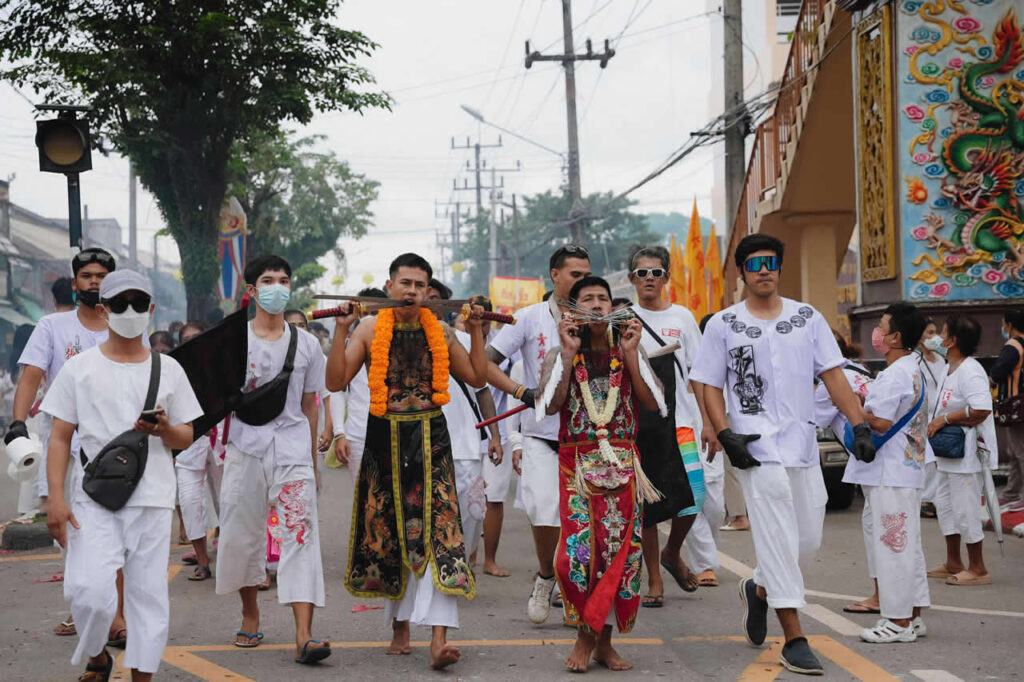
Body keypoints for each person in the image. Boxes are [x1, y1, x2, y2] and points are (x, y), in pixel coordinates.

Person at [690, 234, 875, 675]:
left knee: (805, 543)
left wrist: (859, 424)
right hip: (755, 448)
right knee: (775, 538)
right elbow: (709, 383)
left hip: (802, 445)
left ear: (780, 267)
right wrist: (724, 430)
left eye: (771, 261)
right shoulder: (724, 325)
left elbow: (833, 374)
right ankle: (794, 636)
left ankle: (758, 588)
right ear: (742, 273)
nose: (764, 270)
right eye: (754, 264)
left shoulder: (806, 319)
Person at [326, 253, 488, 671]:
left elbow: (476, 377)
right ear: (390, 286)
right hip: (384, 441)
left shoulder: (442, 333)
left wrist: (475, 332)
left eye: (420, 285)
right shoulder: (368, 327)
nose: (412, 291)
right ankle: (399, 622)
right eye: (405, 283)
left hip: (432, 440)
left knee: (442, 533)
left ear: (428, 291)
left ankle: (438, 639)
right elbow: (334, 382)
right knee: (391, 531)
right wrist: (341, 330)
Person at [42, 269, 202, 681]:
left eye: (137, 303)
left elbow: (186, 434)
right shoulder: (79, 369)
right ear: (103, 310)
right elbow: (59, 438)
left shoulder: (170, 370)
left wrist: (164, 429)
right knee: (89, 592)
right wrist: (55, 499)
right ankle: (97, 654)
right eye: (119, 304)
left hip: (152, 497)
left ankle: (141, 676)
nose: (129, 311)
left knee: (148, 599)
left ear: (150, 309)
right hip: (93, 500)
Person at [538, 275, 663, 672]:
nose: (596, 305)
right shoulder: (560, 355)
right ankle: (583, 633)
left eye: (602, 299)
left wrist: (630, 355)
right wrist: (568, 352)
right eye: (587, 299)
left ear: (613, 308)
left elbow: (651, 402)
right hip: (576, 463)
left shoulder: (629, 349)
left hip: (623, 463)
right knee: (574, 558)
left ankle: (599, 642)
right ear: (570, 310)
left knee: (620, 558)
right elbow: (551, 406)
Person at [4, 249, 128, 642]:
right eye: (87, 276)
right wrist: (18, 422)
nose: (94, 282)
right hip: (64, 446)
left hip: (115, 448)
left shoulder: (125, 324)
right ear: (75, 283)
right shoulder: (52, 327)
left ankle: (117, 618)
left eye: (102, 276)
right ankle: (86, 605)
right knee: (69, 534)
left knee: (115, 534)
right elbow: (31, 377)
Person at [215, 255, 331, 664]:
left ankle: (304, 635)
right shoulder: (232, 341)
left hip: (293, 450)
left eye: (284, 280)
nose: (277, 287)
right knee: (241, 535)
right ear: (251, 290)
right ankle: (250, 613)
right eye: (268, 280)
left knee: (301, 534)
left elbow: (310, 403)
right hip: (244, 448)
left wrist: (313, 463)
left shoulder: (308, 344)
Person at [485, 244, 591, 624]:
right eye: (574, 275)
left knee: (582, 521)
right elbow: (486, 363)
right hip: (540, 435)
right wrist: (521, 393)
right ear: (555, 275)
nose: (581, 281)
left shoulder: (597, 318)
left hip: (589, 438)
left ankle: (572, 587)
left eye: (586, 274)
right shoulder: (528, 318)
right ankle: (546, 575)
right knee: (545, 514)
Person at [626, 247, 704, 603]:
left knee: (695, 497)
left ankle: (672, 553)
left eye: (655, 273)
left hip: (682, 420)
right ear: (631, 279)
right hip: (641, 422)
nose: (649, 280)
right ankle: (654, 578)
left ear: (666, 277)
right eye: (641, 274)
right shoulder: (623, 318)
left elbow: (702, 374)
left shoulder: (684, 317)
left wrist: (714, 424)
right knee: (649, 504)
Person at [851, 303, 932, 643]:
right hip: (905, 470)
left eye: (882, 326)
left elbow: (881, 421)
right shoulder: (914, 368)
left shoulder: (896, 372)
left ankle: (897, 621)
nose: (878, 332)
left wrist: (855, 407)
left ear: (896, 336)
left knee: (893, 544)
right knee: (907, 544)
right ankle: (911, 616)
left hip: (892, 472)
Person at [928, 315, 994, 586]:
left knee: (966, 508)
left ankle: (978, 567)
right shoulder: (949, 367)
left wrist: (945, 419)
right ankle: (953, 561)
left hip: (966, 453)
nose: (938, 338)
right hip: (947, 452)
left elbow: (981, 409)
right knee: (944, 504)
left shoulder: (971, 370)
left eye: (942, 332)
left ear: (953, 340)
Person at [174, 321, 224, 581]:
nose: (193, 342)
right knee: (191, 504)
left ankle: (230, 555)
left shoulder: (221, 368)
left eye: (197, 337)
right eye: (187, 339)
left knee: (229, 501)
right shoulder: (171, 372)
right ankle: (203, 562)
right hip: (187, 449)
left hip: (221, 446)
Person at [990, 308, 1024, 513]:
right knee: (1015, 451)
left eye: (1004, 323)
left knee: (1019, 451)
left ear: (1009, 325)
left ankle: (1019, 495)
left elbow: (998, 372)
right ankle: (1011, 491)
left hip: (1016, 405)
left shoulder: (1013, 346)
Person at [918, 318, 947, 516]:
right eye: (929, 333)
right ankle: (925, 500)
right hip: (923, 416)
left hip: (941, 414)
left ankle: (937, 498)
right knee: (928, 459)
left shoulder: (940, 360)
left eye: (935, 332)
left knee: (939, 458)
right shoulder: (915, 360)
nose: (934, 337)